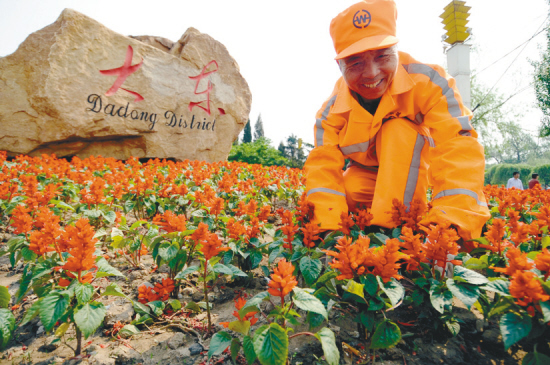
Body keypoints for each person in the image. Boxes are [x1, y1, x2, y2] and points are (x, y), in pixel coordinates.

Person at [303, 0, 490, 241]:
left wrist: (452, 221)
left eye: (382, 56)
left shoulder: (430, 82)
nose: (371, 73)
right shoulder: (330, 113)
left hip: (414, 175)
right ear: (339, 65)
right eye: (356, 62)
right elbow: (323, 167)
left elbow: (458, 146)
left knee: (397, 128)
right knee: (344, 193)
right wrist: (329, 230)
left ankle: (395, 231)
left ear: (396, 51)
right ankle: (372, 228)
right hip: (367, 177)